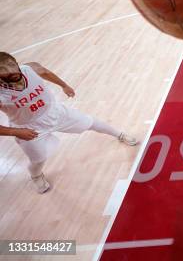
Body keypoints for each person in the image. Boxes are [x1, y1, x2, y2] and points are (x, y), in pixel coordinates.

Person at [0, 53, 138, 194]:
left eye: (11, 65)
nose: (10, 70)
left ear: (16, 62)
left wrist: (64, 85)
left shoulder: (29, 69)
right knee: (39, 158)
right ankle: (36, 176)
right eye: (3, 69)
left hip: (55, 112)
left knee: (91, 122)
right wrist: (16, 132)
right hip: (28, 128)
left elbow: (45, 72)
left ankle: (119, 134)